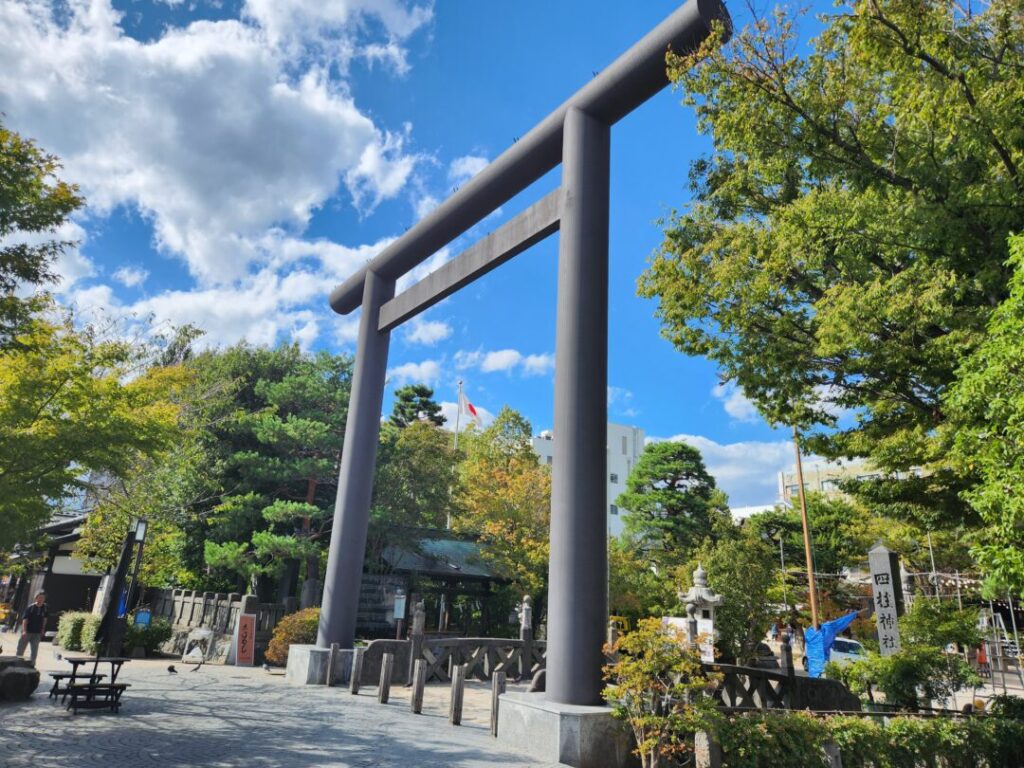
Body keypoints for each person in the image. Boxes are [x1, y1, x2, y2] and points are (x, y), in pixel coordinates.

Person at [17, 591, 48, 666]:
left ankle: (32, 665)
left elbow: (45, 619)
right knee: (21, 649)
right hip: (27, 631)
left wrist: (42, 629)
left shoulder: (45, 608)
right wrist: (24, 631)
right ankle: (17, 663)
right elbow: (25, 619)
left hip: (37, 633)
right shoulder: (30, 608)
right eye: (39, 597)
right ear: (36, 598)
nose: (41, 599)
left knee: (34, 650)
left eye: (42, 598)